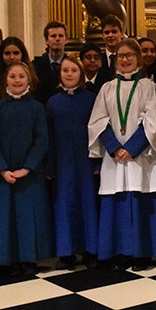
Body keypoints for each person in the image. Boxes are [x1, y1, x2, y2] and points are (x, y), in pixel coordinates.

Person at [90, 38, 156, 270]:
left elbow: (151, 121)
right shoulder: (107, 88)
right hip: (114, 157)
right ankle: (120, 252)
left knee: (141, 199)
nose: (124, 60)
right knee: (117, 201)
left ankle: (143, 253)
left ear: (138, 59)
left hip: (140, 156)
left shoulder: (148, 87)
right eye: (120, 56)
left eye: (129, 56)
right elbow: (98, 121)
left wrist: (132, 148)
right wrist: (114, 147)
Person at [0, 62, 53, 275]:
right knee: (4, 216)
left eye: (21, 76)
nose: (17, 80)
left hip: (29, 174)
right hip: (3, 173)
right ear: (6, 79)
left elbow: (41, 140)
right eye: (13, 76)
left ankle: (29, 258)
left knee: (28, 216)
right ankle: (7, 258)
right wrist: (2, 169)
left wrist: (28, 167)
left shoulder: (36, 108)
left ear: (29, 80)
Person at [47, 57, 98, 269]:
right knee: (64, 204)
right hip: (62, 162)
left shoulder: (91, 99)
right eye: (65, 70)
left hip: (86, 161)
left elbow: (97, 131)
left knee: (88, 203)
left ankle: (90, 251)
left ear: (81, 73)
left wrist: (98, 162)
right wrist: (50, 166)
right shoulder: (52, 102)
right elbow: (47, 136)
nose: (69, 74)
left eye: (73, 70)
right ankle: (65, 253)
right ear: (60, 74)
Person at [0, 37, 37, 103]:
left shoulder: (33, 78)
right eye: (7, 53)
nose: (12, 57)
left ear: (22, 54)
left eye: (16, 53)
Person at [32, 21, 68, 103]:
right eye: (53, 36)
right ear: (46, 40)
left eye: (61, 36)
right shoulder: (35, 65)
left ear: (66, 40)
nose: (57, 39)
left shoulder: (72, 65)